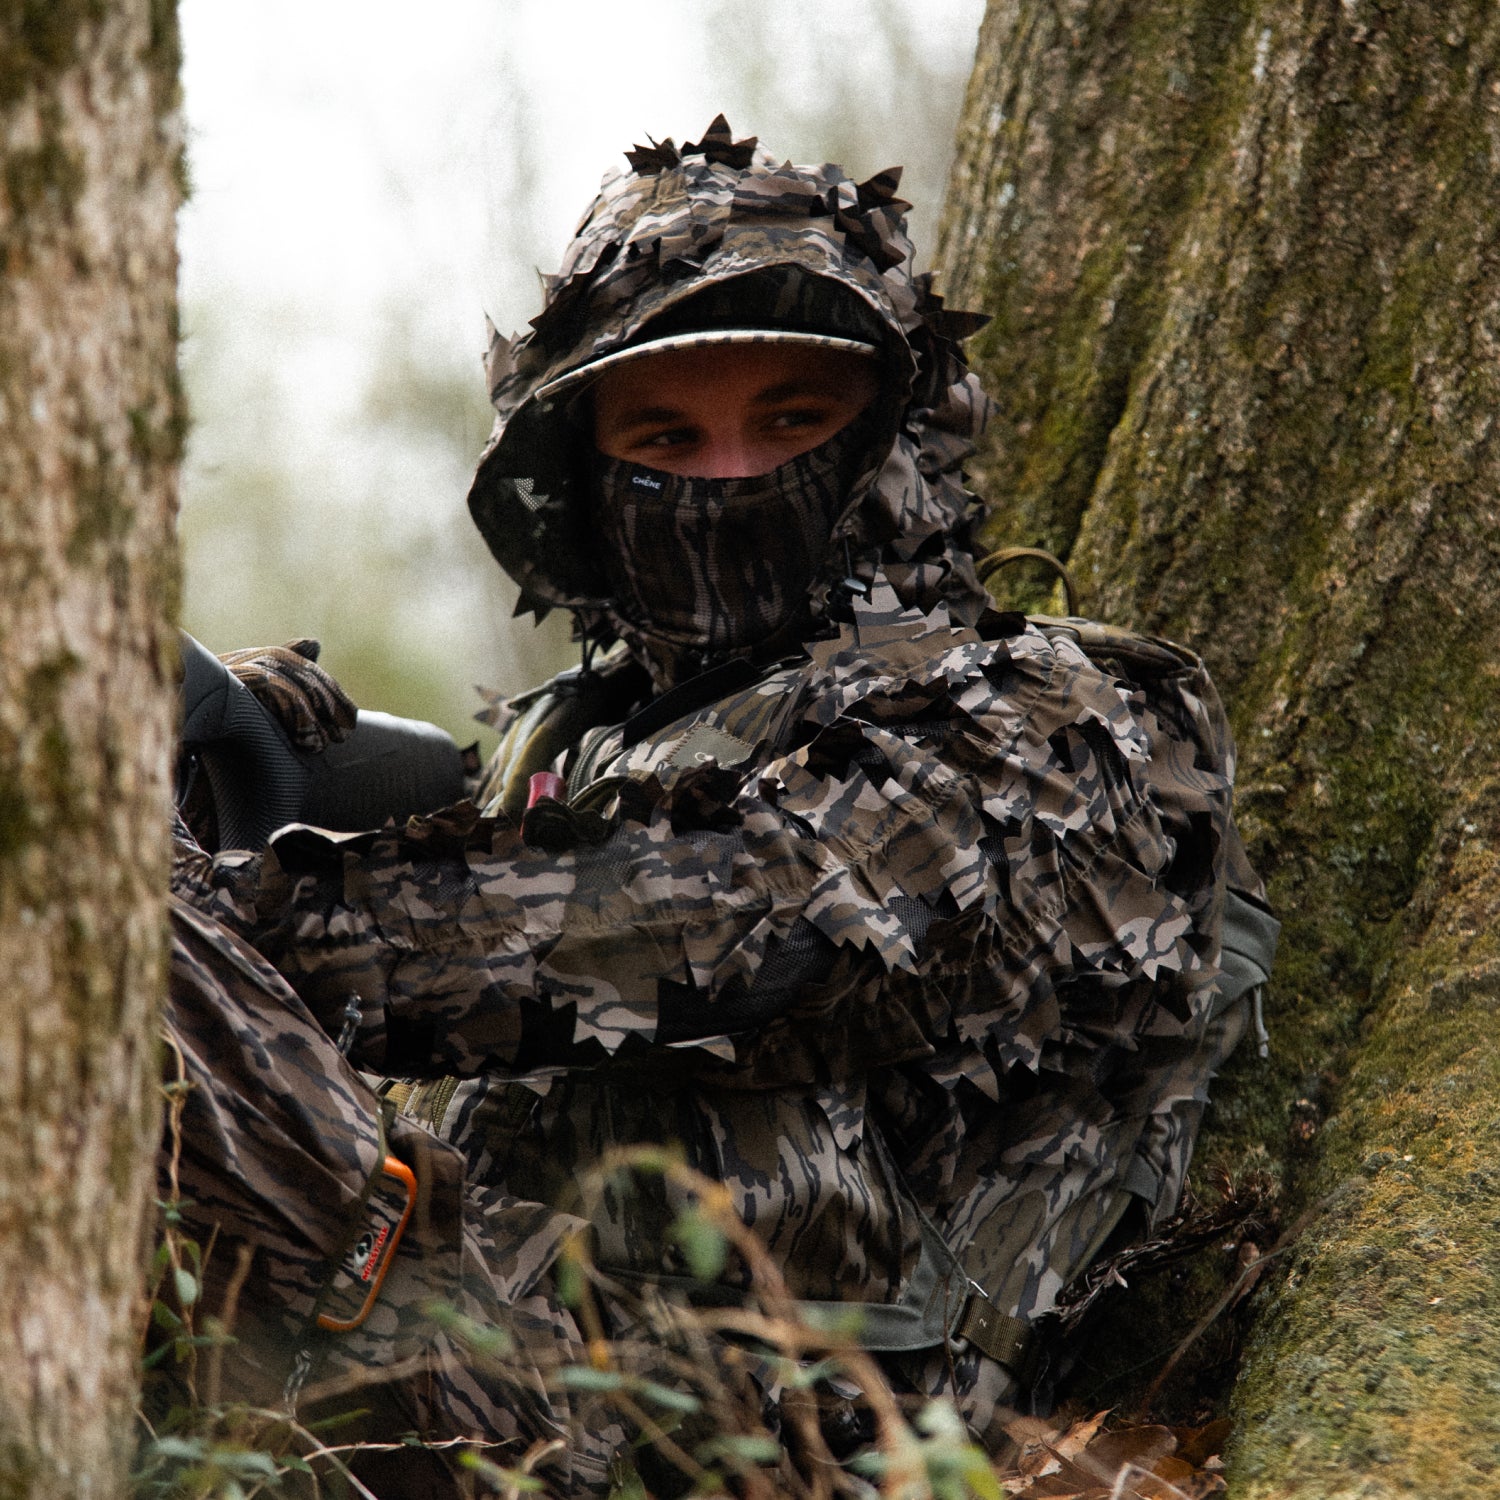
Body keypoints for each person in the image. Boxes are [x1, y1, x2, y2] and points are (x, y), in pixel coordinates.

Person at [165, 117, 1278, 1495]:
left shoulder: (1059, 716)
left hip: (786, 1457)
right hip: (500, 1385)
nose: (734, 478)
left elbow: (736, 915)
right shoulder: (568, 744)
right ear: (584, 477)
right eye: (667, 436)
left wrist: (227, 910)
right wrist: (233, 767)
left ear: (898, 433)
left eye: (794, 419)